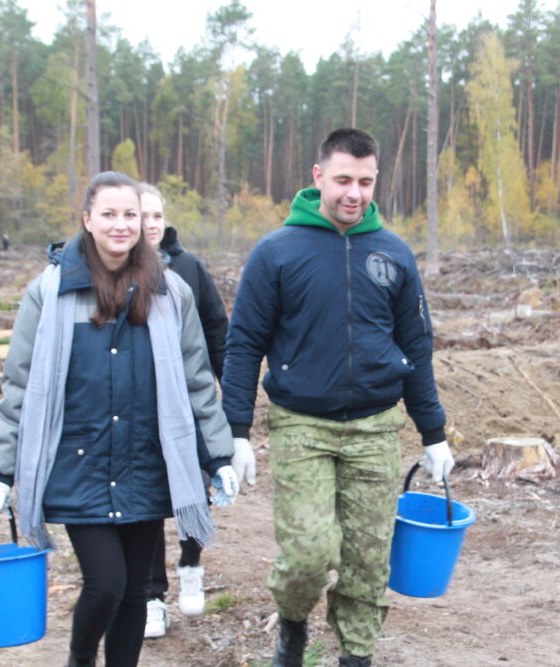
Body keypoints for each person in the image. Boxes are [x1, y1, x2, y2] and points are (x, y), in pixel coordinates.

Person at [0, 171, 242, 667]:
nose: (122, 225)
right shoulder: (51, 291)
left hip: (146, 459)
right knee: (106, 585)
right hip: (78, 459)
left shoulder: (171, 291)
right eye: (110, 214)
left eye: (132, 215)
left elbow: (196, 381)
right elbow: (21, 382)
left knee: (137, 593)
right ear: (87, 220)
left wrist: (220, 453)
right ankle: (80, 660)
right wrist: (2, 468)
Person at [220, 129, 455, 667]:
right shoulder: (277, 251)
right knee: (307, 553)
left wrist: (434, 433)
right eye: (344, 179)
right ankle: (294, 629)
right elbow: (243, 345)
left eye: (366, 181)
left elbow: (416, 347)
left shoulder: (393, 253)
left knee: (368, 561)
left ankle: (356, 655)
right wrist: (235, 433)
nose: (355, 193)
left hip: (375, 428)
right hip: (301, 426)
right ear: (318, 176)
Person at [137, 183, 255, 639]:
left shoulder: (188, 268)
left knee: (193, 490)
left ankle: (191, 566)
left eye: (156, 215)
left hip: (188, 404)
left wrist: (231, 402)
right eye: (141, 214)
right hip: (140, 409)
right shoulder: (114, 271)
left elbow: (216, 329)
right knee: (146, 503)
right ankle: (151, 596)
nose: (150, 223)